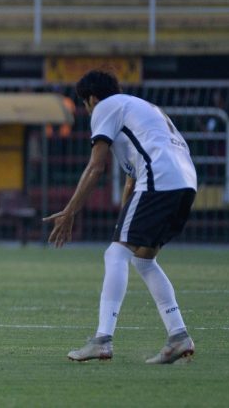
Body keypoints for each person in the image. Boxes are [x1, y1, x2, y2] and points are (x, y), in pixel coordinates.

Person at [43, 69, 197, 364]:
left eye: (86, 104)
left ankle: (102, 340)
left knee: (115, 256)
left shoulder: (106, 107)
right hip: (185, 183)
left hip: (160, 180)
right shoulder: (140, 109)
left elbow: (96, 166)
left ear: (90, 99)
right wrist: (124, 226)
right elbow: (130, 180)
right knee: (142, 259)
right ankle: (178, 336)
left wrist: (69, 211)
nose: (89, 111)